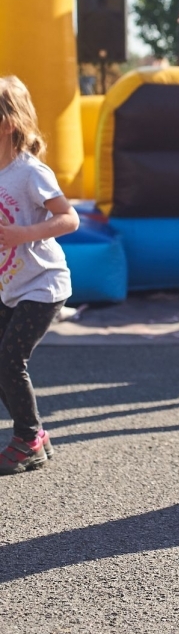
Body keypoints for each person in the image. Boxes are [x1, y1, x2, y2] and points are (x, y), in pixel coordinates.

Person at [0, 77, 79, 473]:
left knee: (10, 359)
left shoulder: (30, 172)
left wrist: (24, 234)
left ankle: (27, 438)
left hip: (43, 283)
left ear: (8, 123)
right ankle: (35, 435)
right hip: (11, 285)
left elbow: (70, 218)